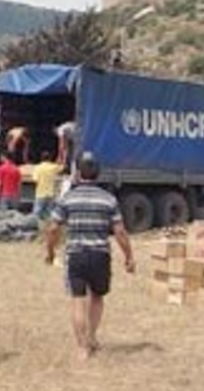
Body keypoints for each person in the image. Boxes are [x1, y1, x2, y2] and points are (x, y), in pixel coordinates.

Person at [45, 152, 136, 361]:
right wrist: (129, 256)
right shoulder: (109, 199)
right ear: (98, 173)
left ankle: (82, 348)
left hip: (75, 255)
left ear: (78, 173)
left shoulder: (68, 198)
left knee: (78, 300)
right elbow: (120, 232)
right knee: (97, 297)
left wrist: (50, 252)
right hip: (100, 255)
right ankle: (92, 336)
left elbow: (53, 228)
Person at [31, 150, 64, 221]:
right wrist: (62, 154)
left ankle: (36, 226)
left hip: (40, 194)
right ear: (50, 159)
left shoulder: (37, 168)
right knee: (49, 214)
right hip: (50, 194)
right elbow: (62, 167)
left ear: (41, 158)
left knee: (36, 214)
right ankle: (47, 226)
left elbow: (35, 180)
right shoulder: (53, 167)